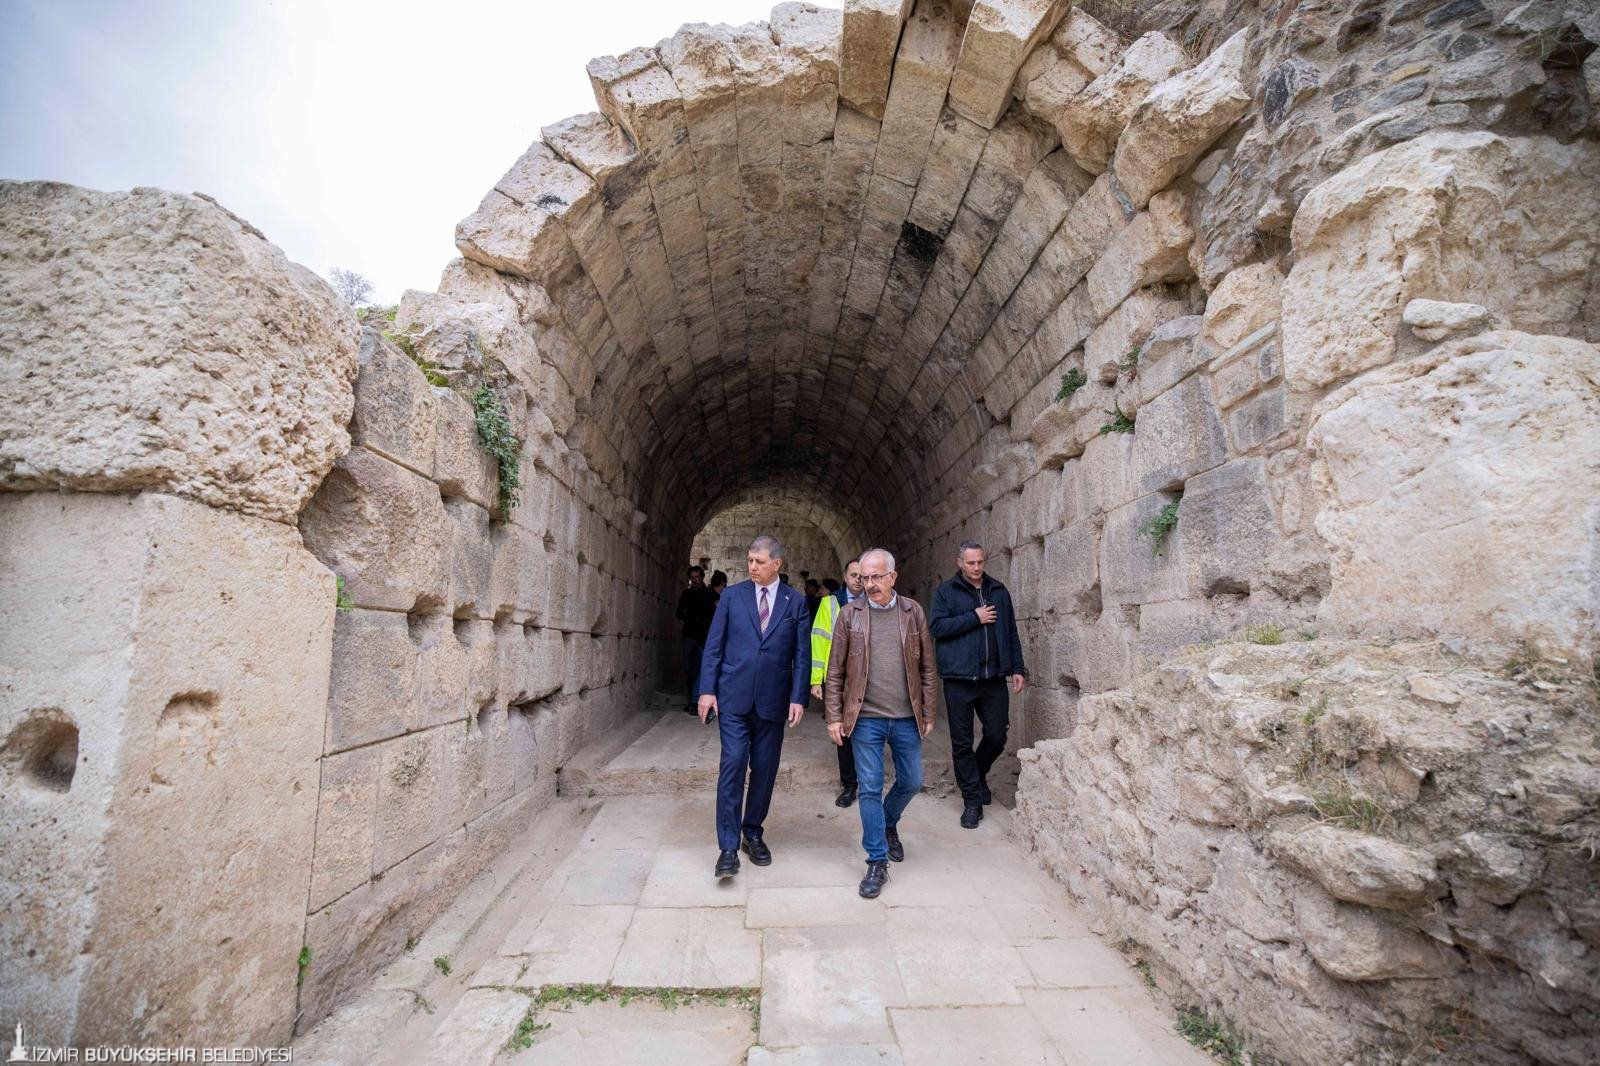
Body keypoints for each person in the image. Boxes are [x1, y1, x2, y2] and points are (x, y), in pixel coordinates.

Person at [823, 548, 937, 899]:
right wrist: (834, 716)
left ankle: (888, 822)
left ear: (892, 577)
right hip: (866, 718)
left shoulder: (913, 612)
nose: (869, 584)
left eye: (876, 577)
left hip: (906, 717)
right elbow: (835, 670)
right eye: (864, 577)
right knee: (869, 788)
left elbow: (928, 667)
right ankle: (876, 860)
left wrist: (929, 712)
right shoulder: (849, 614)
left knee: (912, 781)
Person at [697, 536, 809, 878]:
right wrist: (707, 691)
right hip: (733, 696)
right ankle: (728, 847)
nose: (752, 567)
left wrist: (798, 697)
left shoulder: (795, 602)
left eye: (759, 561)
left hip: (773, 700)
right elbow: (713, 646)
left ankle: (752, 832)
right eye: (749, 560)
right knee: (732, 764)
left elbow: (802, 654)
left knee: (764, 768)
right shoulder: (732, 597)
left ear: (777, 564)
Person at [928, 540, 1026, 830]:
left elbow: (1010, 630)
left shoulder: (998, 590)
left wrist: (1017, 668)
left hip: (993, 676)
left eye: (980, 562)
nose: (976, 567)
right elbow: (937, 628)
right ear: (960, 562)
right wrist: (974, 617)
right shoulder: (946, 592)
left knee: (996, 734)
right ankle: (972, 800)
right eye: (970, 562)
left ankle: (977, 774)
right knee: (961, 742)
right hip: (959, 679)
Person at [811, 556, 866, 806]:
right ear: (844, 577)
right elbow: (819, 640)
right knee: (843, 732)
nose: (858, 580)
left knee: (869, 729)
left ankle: (869, 782)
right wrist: (817, 680)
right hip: (840, 678)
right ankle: (849, 785)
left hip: (868, 677)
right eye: (853, 575)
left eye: (862, 575)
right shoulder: (830, 603)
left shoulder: (875, 601)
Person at [675, 566, 717, 714]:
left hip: (703, 636)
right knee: (688, 668)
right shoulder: (686, 594)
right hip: (689, 635)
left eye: (697, 577)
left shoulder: (709, 594)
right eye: (692, 577)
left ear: (702, 577)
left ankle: (696, 701)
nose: (695, 580)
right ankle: (691, 699)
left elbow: (712, 615)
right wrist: (689, 616)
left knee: (701, 668)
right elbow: (678, 613)